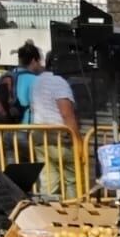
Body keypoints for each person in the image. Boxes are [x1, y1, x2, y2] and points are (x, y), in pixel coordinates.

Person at [30, 57, 80, 199]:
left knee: (49, 183)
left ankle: (51, 214)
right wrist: (78, 141)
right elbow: (66, 114)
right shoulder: (60, 83)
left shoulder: (37, 81)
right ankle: (74, 213)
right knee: (72, 181)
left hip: (40, 135)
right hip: (60, 137)